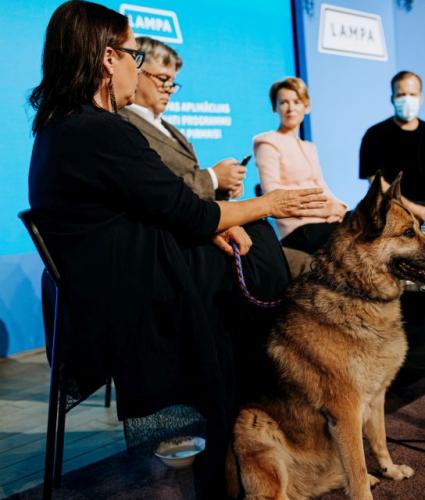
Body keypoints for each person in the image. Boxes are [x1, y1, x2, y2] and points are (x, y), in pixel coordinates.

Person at [27, 2, 327, 496]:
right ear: (107, 59)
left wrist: (212, 226)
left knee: (251, 250)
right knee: (259, 256)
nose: (137, 68)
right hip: (131, 299)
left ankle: (253, 435)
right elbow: (191, 211)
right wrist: (269, 203)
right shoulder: (101, 131)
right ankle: (249, 443)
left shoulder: (64, 128)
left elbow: (156, 209)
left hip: (111, 286)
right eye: (133, 56)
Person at [119, 37, 245, 200]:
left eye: (172, 82)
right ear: (136, 72)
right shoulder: (121, 123)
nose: (169, 89)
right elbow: (155, 188)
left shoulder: (170, 129)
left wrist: (223, 186)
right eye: (163, 79)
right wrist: (213, 178)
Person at [359, 70, 425, 238]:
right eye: (401, 94)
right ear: (392, 98)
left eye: (412, 94)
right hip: (391, 208)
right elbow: (377, 182)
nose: (407, 99)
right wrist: (417, 211)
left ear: (421, 98)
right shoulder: (375, 135)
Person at [254, 77, 348, 254]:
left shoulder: (309, 147)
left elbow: (322, 187)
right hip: (298, 230)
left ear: (307, 106)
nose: (290, 108)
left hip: (324, 223)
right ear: (275, 108)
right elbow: (273, 196)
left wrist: (339, 207)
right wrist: (324, 210)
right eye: (283, 102)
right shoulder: (267, 143)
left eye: (296, 102)